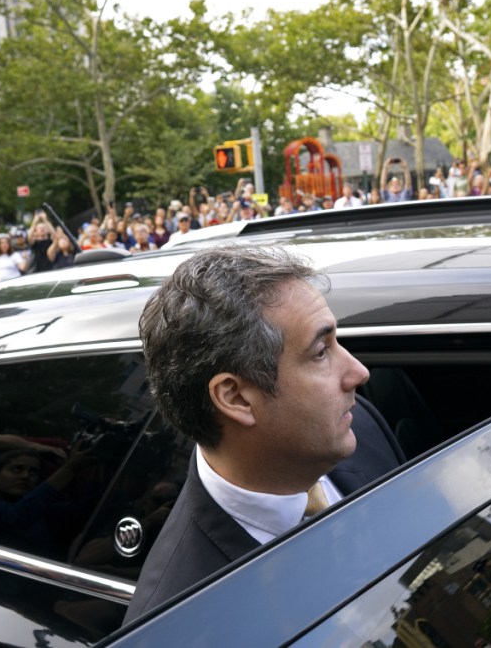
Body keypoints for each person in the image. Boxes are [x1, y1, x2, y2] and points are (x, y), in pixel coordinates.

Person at [125, 246, 404, 622]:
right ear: (236, 397)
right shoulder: (177, 620)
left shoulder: (357, 426)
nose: (358, 372)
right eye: (321, 352)